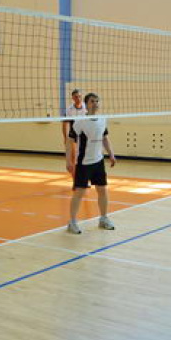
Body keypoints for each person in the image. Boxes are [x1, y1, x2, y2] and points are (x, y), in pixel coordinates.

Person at [65, 93, 116, 234]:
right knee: (79, 192)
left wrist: (111, 154)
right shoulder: (80, 121)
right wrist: (68, 160)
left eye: (97, 101)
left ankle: (103, 218)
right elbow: (69, 141)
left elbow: (105, 138)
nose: (95, 103)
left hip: (98, 161)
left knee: (102, 190)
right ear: (86, 104)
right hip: (84, 163)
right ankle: (72, 222)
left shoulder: (102, 120)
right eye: (92, 101)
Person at [62, 89, 86, 171]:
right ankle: (74, 174)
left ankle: (82, 173)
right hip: (73, 135)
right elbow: (65, 124)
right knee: (73, 157)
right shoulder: (69, 109)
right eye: (76, 97)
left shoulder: (86, 107)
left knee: (83, 156)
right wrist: (65, 138)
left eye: (79, 96)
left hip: (83, 135)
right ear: (72, 98)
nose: (78, 98)